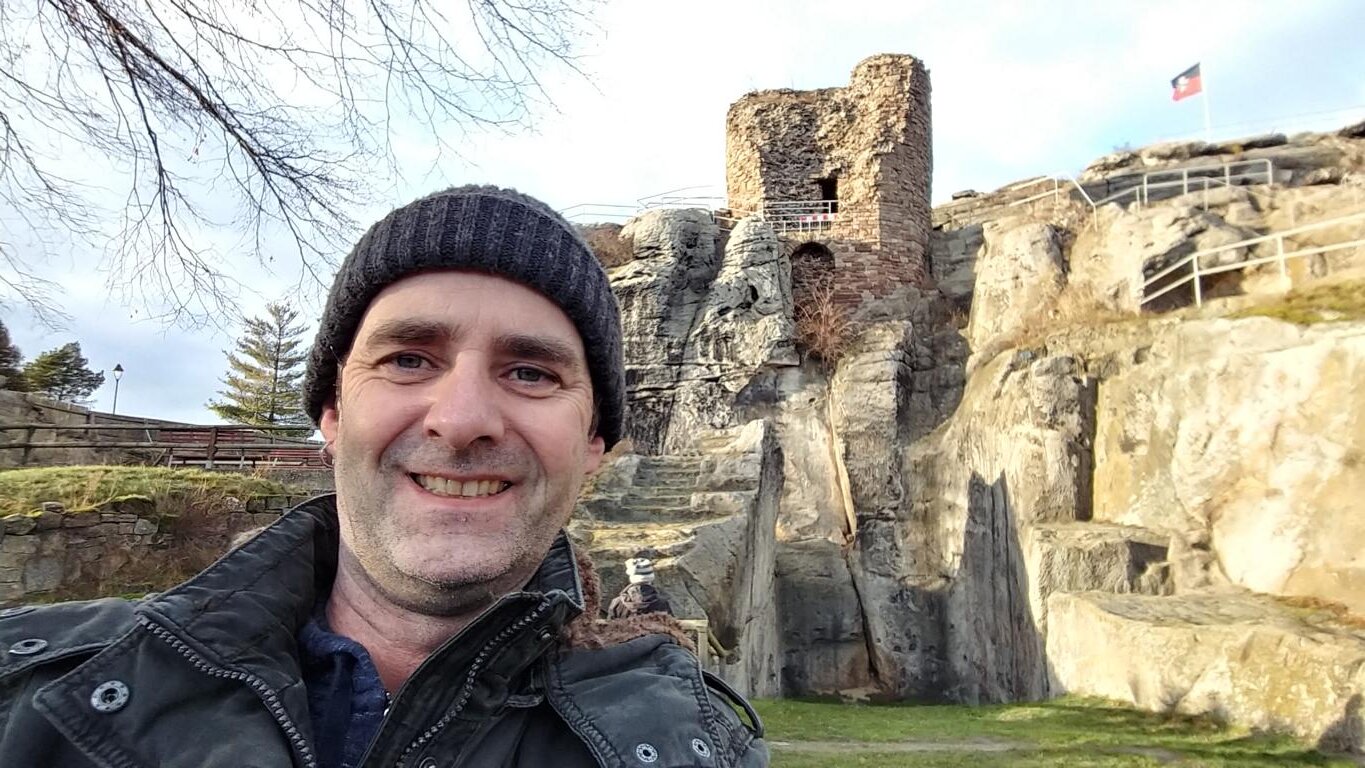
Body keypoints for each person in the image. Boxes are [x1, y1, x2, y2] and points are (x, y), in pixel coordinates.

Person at [0, 185, 768, 767]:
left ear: (594, 440)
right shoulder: (32, 689)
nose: (461, 419)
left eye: (531, 372)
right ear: (332, 412)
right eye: (407, 359)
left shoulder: (698, 748)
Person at [608, 557, 674, 618]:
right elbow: (671, 625)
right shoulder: (662, 603)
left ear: (631, 578)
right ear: (651, 578)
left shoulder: (617, 602)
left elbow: (609, 625)